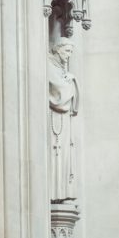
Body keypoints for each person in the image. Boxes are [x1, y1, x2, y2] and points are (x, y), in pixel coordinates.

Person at [48, 37, 79, 203]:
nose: (69, 55)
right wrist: (69, 82)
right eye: (67, 51)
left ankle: (63, 191)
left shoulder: (60, 68)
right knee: (56, 152)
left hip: (64, 121)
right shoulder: (49, 65)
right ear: (58, 49)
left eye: (71, 52)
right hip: (55, 121)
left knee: (65, 154)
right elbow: (58, 96)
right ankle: (55, 194)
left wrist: (70, 79)